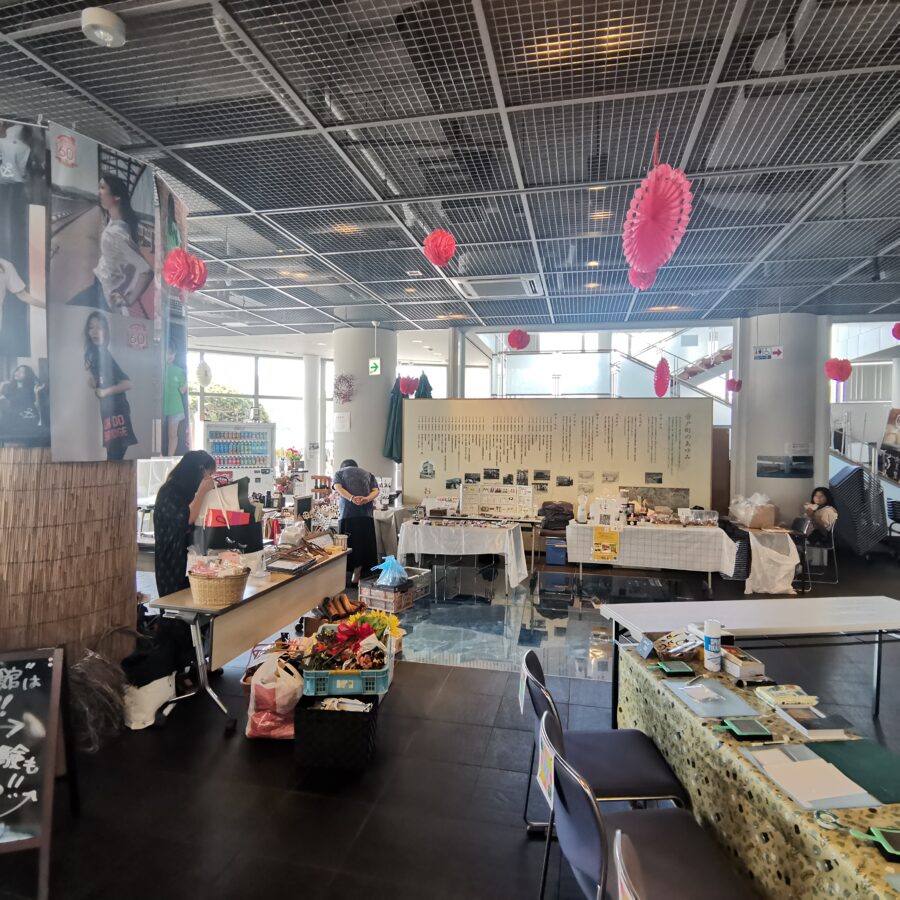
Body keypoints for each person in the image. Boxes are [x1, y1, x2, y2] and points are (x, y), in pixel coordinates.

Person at [68, 174, 153, 318]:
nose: (99, 192)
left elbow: (146, 271)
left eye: (103, 188)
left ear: (117, 196)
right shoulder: (114, 222)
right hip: (99, 287)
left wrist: (129, 300)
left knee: (70, 314)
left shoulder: (118, 234)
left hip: (103, 293)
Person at [153, 450, 216, 598]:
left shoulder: (189, 490)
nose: (210, 478)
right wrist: (202, 491)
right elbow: (187, 518)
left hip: (193, 558)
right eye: (209, 474)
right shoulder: (169, 491)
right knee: (178, 602)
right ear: (199, 471)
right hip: (173, 560)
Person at [84, 310, 137, 461]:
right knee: (113, 454)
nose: (95, 331)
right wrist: (93, 383)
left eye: (99, 327)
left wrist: (105, 392)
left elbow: (127, 383)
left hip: (117, 412)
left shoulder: (104, 355)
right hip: (108, 411)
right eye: (91, 327)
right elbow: (102, 380)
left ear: (106, 331)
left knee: (114, 455)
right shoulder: (94, 354)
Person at [333, 458, 380, 584]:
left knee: (349, 543)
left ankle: (347, 573)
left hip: (348, 513)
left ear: (342, 466)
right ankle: (359, 572)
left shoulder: (339, 473)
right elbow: (376, 491)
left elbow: (338, 487)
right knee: (364, 542)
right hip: (366, 514)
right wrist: (366, 499)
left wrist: (351, 498)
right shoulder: (368, 474)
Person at [164, 347, 187, 455]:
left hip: (175, 407)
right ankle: (158, 456)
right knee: (155, 434)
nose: (170, 356)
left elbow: (182, 390)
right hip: (158, 407)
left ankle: (169, 458)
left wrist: (187, 378)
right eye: (168, 353)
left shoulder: (178, 370)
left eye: (172, 354)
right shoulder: (157, 367)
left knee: (172, 435)